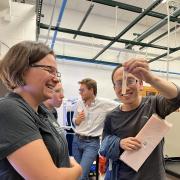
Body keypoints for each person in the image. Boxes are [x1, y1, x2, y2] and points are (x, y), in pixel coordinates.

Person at [0, 41, 82, 179]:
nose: (56, 79)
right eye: (49, 70)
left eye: (56, 72)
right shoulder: (10, 109)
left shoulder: (43, 111)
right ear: (22, 69)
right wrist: (78, 169)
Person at [99, 58, 180, 180]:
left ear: (141, 84)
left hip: (153, 176)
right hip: (123, 176)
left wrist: (151, 78)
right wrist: (119, 143)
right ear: (114, 88)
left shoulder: (154, 104)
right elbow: (104, 146)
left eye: (130, 81)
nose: (124, 88)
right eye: (119, 83)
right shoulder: (111, 116)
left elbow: (176, 98)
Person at [72, 78, 119, 180]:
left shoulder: (104, 104)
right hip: (76, 141)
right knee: (78, 173)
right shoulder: (79, 103)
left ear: (91, 90)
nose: (80, 92)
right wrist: (77, 121)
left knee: (81, 175)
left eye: (82, 90)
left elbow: (121, 107)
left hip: (92, 143)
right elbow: (74, 120)